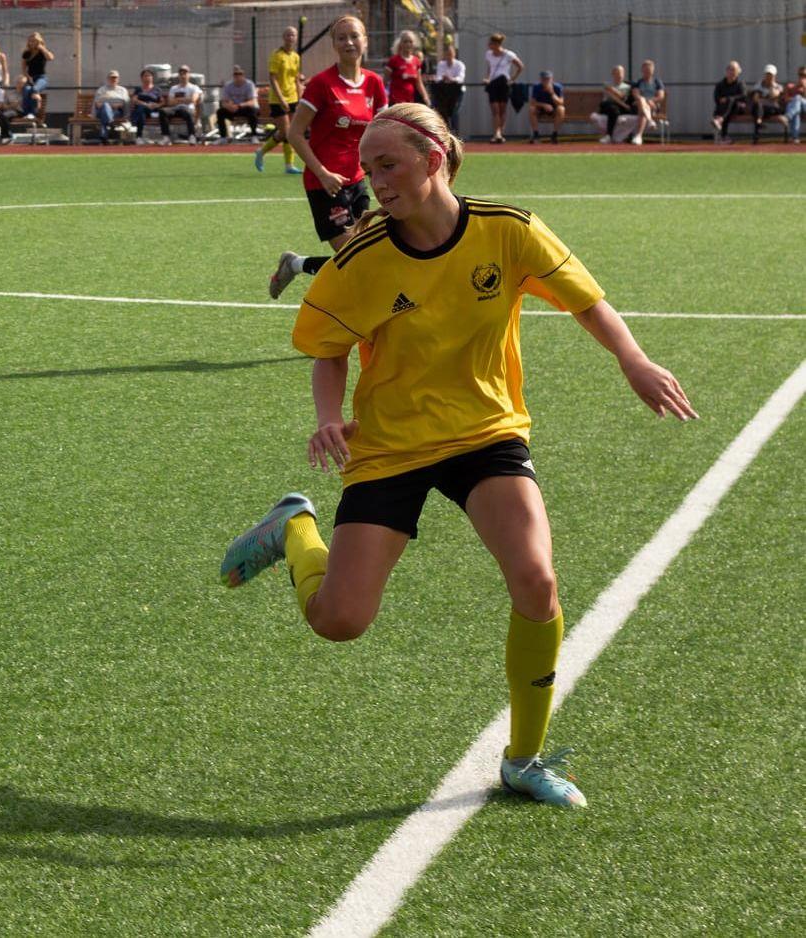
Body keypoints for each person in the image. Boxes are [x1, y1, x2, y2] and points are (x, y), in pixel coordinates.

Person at [221, 101, 697, 811]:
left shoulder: (507, 231)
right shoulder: (359, 259)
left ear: (434, 159)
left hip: (486, 434)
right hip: (389, 448)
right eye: (368, 168)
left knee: (537, 581)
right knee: (339, 621)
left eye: (389, 164)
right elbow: (328, 351)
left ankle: (525, 759)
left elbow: (587, 301)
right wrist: (328, 418)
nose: (374, 180)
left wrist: (633, 359)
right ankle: (294, 529)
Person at [269, 15, 386, 298]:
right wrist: (322, 173)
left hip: (358, 182)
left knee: (364, 260)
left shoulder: (374, 83)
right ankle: (295, 266)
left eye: (354, 36)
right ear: (334, 44)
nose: (349, 42)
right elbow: (295, 134)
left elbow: (382, 133)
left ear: (365, 41)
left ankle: (295, 264)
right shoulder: (322, 84)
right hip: (324, 184)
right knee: (356, 258)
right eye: (342, 37)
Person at [255, 27, 302, 174]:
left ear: (296, 38)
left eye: (293, 35)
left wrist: (300, 97)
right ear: (283, 37)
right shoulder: (277, 55)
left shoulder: (295, 56)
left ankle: (261, 152)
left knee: (286, 133)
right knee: (287, 133)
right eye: (288, 34)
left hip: (293, 97)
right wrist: (281, 99)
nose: (290, 37)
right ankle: (288, 165)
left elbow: (296, 79)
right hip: (277, 99)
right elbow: (272, 78)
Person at [482, 33, 523, 144]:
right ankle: (496, 133)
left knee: (502, 110)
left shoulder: (508, 54)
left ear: (497, 44)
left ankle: (500, 133)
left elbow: (520, 66)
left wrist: (512, 79)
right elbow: (490, 68)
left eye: (491, 43)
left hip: (504, 82)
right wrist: (487, 78)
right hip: (493, 83)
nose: (489, 45)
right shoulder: (489, 54)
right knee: (495, 109)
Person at [598, 64, 647, 145]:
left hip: (619, 107)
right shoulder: (607, 84)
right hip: (606, 106)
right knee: (611, 108)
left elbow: (623, 98)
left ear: (623, 74)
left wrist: (626, 104)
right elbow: (615, 97)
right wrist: (615, 92)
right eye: (617, 73)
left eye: (621, 73)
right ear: (613, 74)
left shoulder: (628, 86)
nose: (619, 75)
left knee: (616, 111)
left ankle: (612, 136)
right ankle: (608, 136)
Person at [159, 65, 201, 144]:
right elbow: (170, 102)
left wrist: (178, 99)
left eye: (185, 73)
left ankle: (192, 136)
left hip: (187, 110)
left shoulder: (194, 87)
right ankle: (166, 137)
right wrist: (185, 99)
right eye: (181, 74)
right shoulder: (174, 88)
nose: (183, 76)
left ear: (189, 75)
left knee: (186, 111)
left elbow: (193, 99)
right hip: (175, 110)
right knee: (163, 111)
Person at [385, 30, 428, 106]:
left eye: (410, 42)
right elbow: (384, 82)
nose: (408, 44)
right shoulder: (393, 60)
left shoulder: (416, 61)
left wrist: (426, 97)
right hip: (395, 102)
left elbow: (419, 83)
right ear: (401, 44)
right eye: (405, 42)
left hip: (409, 102)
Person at [430, 43, 466, 134]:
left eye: (451, 53)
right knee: (443, 112)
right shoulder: (441, 64)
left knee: (454, 112)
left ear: (454, 54)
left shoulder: (460, 65)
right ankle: (445, 133)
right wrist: (442, 78)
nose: (449, 55)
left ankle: (455, 133)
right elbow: (438, 78)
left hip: (457, 92)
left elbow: (460, 78)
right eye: (447, 53)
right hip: (444, 92)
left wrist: (451, 79)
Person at [710, 61, 749, 144]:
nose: (732, 72)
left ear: (738, 72)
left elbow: (744, 96)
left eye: (734, 70)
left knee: (730, 101)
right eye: (730, 70)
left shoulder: (740, 84)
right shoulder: (720, 85)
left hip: (738, 108)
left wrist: (728, 98)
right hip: (724, 109)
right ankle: (724, 137)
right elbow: (717, 99)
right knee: (723, 108)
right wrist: (724, 101)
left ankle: (719, 121)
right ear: (726, 71)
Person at [217, 66, 259, 139]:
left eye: (240, 74)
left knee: (252, 111)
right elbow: (224, 102)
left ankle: (254, 136)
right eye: (236, 74)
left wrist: (239, 105)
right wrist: (229, 106)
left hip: (245, 108)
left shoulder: (249, 84)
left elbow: (252, 102)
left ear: (243, 75)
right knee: (220, 112)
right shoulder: (228, 85)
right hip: (233, 109)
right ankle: (223, 137)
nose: (238, 76)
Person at [19, 32, 53, 121]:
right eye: (31, 41)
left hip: (41, 77)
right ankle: (28, 113)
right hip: (31, 78)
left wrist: (42, 48)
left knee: (34, 89)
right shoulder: (26, 53)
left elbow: (50, 58)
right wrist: (27, 77)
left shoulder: (42, 51)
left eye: (34, 41)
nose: (32, 43)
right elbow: (23, 68)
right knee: (26, 90)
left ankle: (34, 111)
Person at [526, 70, 564, 144]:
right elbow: (532, 102)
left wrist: (552, 93)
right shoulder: (537, 87)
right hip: (540, 109)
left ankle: (554, 134)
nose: (546, 81)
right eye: (544, 79)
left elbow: (561, 103)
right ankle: (536, 134)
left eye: (548, 79)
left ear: (552, 79)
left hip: (553, 110)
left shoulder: (558, 87)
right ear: (540, 80)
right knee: (531, 109)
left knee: (561, 109)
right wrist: (544, 105)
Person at [93, 69, 131, 143]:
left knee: (105, 109)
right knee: (105, 106)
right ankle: (109, 122)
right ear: (108, 79)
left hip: (117, 112)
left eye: (115, 77)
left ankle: (104, 134)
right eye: (112, 77)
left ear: (118, 79)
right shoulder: (101, 90)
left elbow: (125, 103)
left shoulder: (122, 90)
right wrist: (110, 106)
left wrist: (127, 116)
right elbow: (97, 104)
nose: (113, 79)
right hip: (101, 112)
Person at [750, 64, 785, 144]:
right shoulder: (758, 86)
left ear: (774, 76)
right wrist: (766, 98)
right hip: (760, 109)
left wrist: (766, 97)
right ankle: (759, 122)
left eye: (771, 75)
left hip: (772, 109)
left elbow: (775, 99)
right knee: (758, 107)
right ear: (765, 75)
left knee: (759, 108)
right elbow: (755, 99)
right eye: (767, 74)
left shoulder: (778, 87)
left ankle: (758, 126)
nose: (769, 77)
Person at [130, 68, 165, 143]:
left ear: (152, 77)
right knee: (141, 111)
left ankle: (137, 132)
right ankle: (139, 137)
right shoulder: (138, 89)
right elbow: (134, 100)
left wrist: (156, 105)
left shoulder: (157, 89)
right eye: (145, 76)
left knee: (140, 110)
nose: (147, 78)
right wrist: (145, 104)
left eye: (149, 76)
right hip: (142, 109)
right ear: (142, 78)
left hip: (153, 110)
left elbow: (163, 102)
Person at [633, 59, 666, 125]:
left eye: (649, 70)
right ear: (642, 71)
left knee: (642, 110)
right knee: (641, 102)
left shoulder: (657, 82)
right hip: (641, 104)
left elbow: (661, 96)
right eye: (645, 70)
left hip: (653, 105)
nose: (647, 72)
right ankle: (650, 121)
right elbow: (636, 95)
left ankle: (640, 132)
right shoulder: (638, 83)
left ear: (652, 71)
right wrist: (646, 101)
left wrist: (650, 100)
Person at [784, 65, 805, 144]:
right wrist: (796, 99)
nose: (803, 77)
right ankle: (795, 138)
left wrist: (804, 88)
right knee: (796, 112)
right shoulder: (790, 86)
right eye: (801, 75)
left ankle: (787, 117)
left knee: (798, 98)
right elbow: (786, 99)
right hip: (796, 109)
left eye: (805, 75)